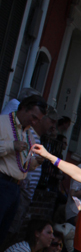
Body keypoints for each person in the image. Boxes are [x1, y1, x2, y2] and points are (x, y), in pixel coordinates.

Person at [0, 95, 47, 236]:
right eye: (33, 117)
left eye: (37, 120)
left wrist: (37, 162)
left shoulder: (28, 134)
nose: (34, 122)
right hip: (2, 183)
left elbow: (24, 164)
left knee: (4, 232)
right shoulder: (3, 123)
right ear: (24, 109)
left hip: (16, 188)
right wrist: (11, 145)